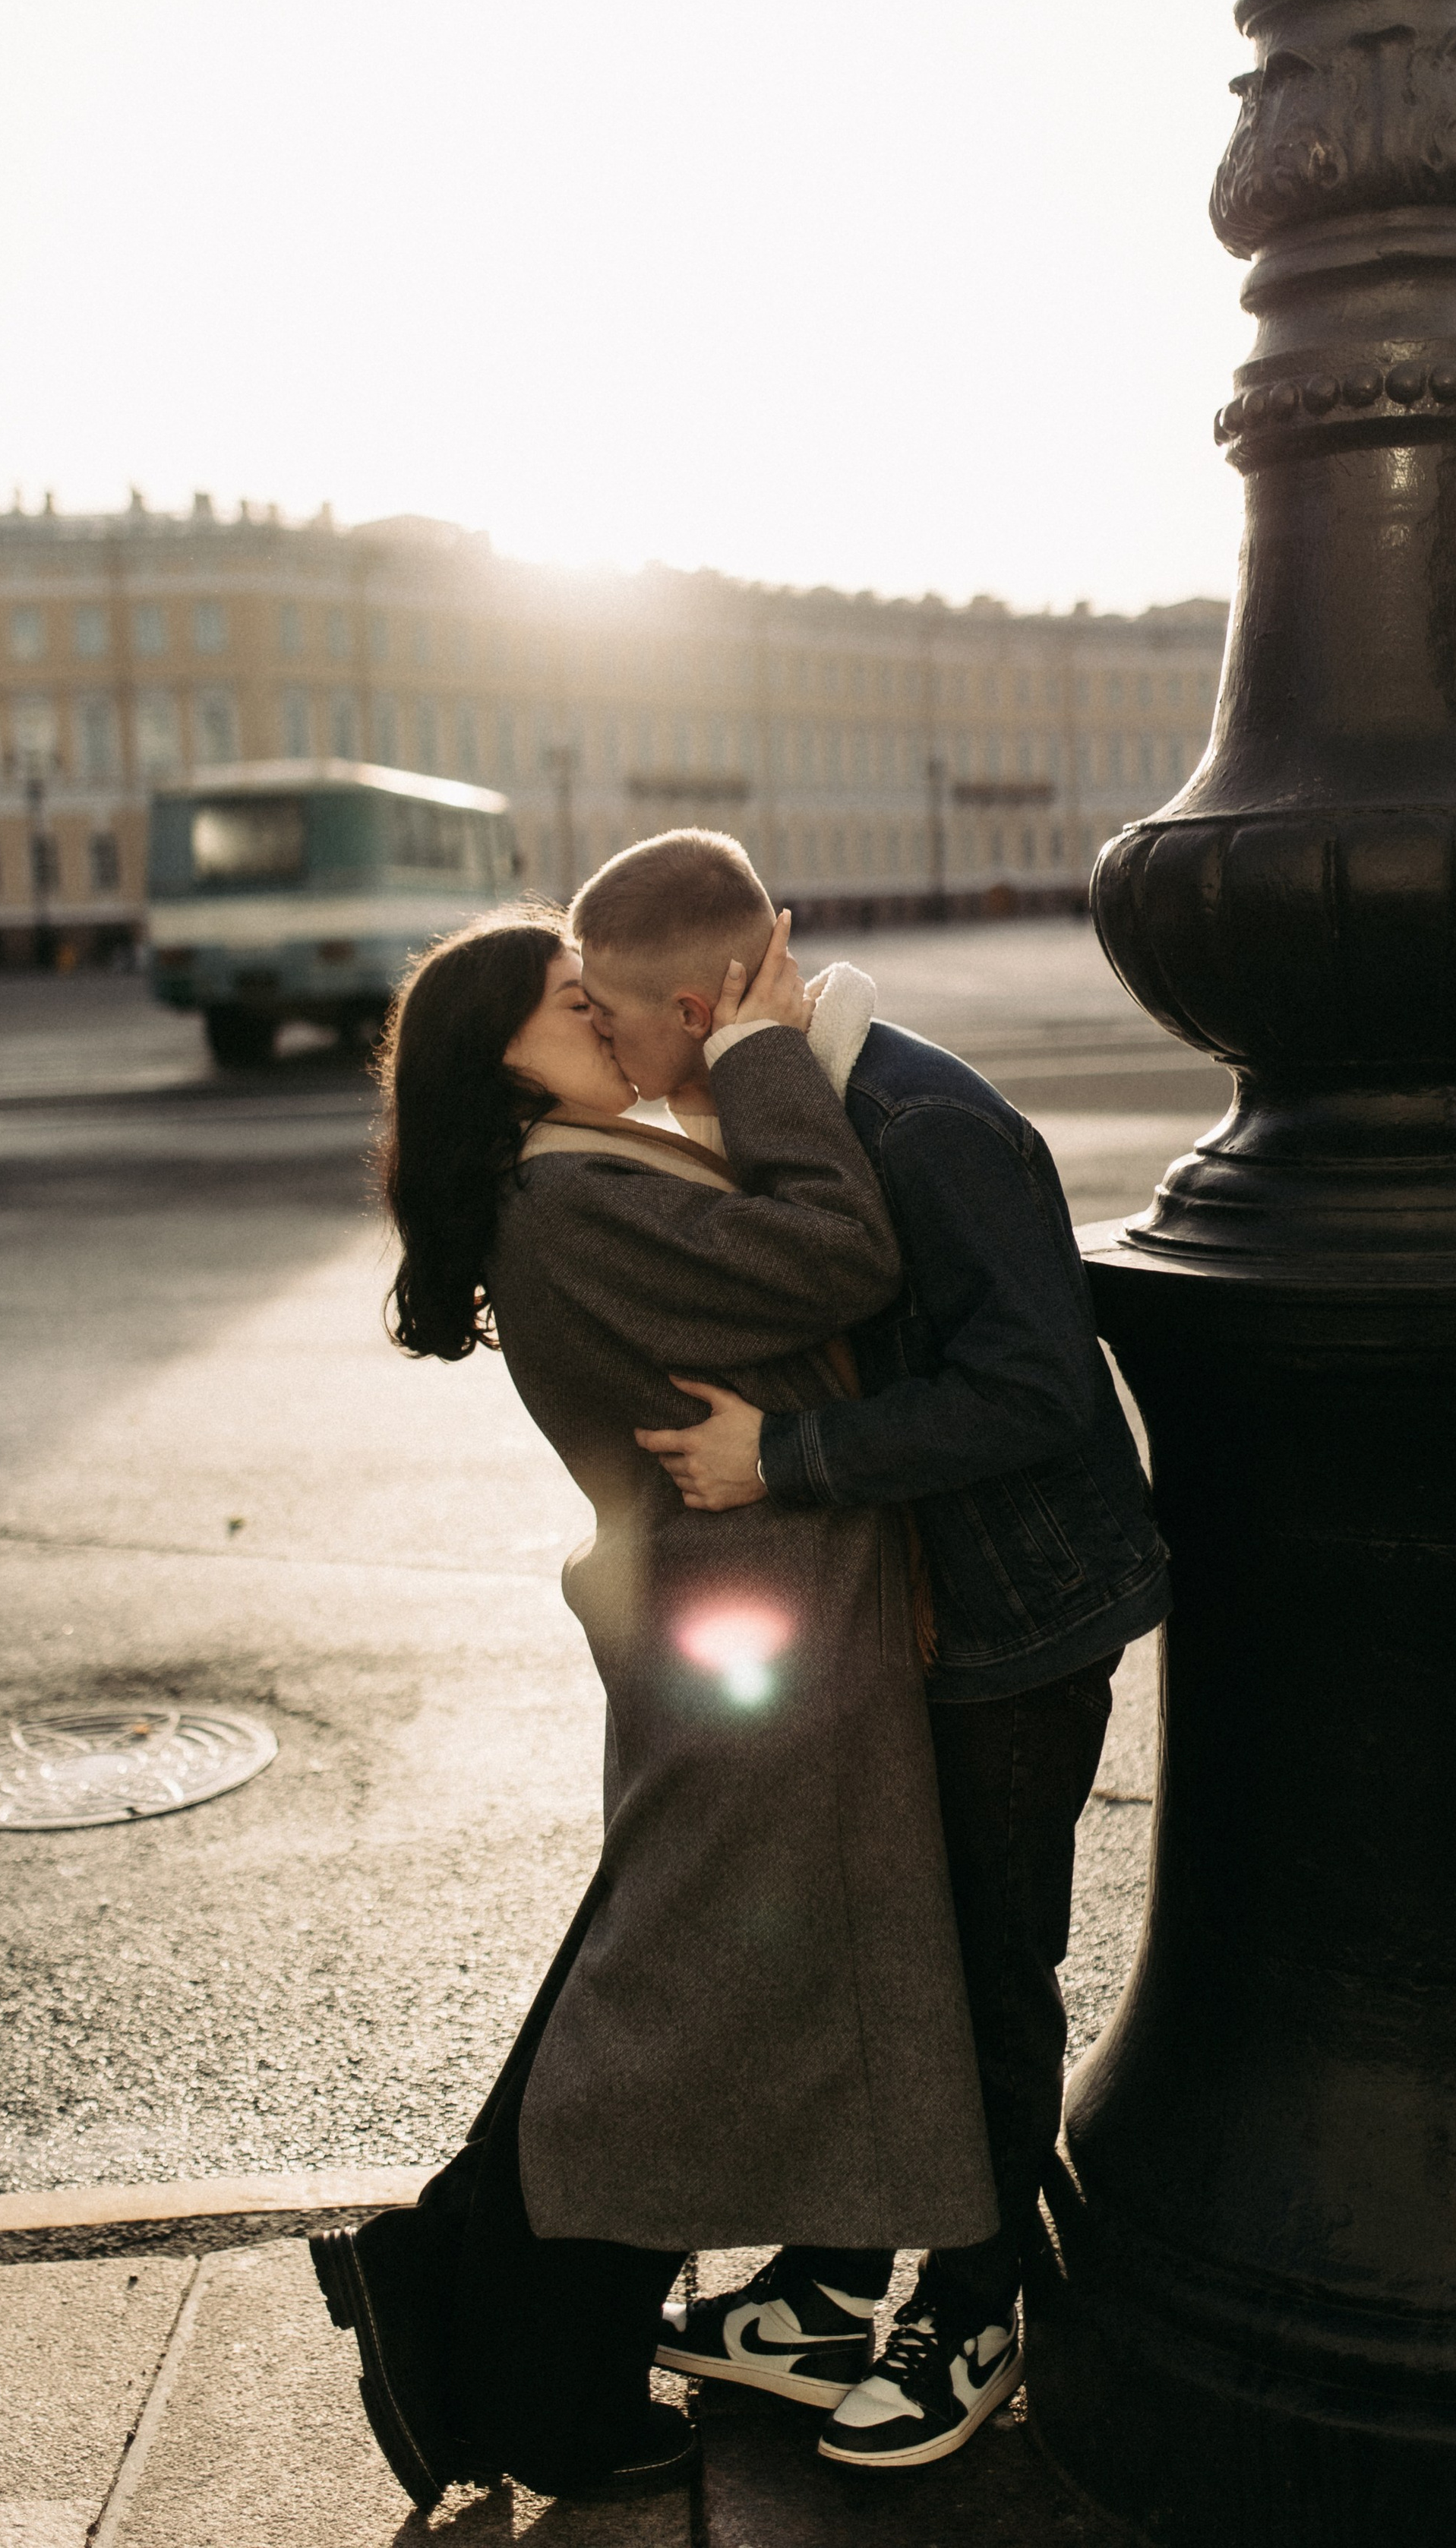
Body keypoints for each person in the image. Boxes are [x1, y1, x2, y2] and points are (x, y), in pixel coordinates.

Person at [311, 900, 996, 2511]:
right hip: (756, 1642)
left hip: (740, 1631)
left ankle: (447, 2285)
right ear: (507, 1066)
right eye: (572, 1007)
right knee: (661, 2024)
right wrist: (756, 1056)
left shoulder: (576, 1174)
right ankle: (537, 2379)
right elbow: (839, 1249)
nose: (610, 1023)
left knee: (651, 1982)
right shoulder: (570, 1196)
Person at [569, 828, 1169, 2473]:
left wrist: (786, 1463)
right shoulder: (786, 1101)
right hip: (914, 1608)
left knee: (982, 1968)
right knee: (879, 1953)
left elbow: (1038, 1390)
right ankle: (835, 2290)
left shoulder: (923, 1120)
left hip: (1014, 1617)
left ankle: (973, 2309)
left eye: (616, 1029)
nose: (610, 1064)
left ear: (693, 1005)